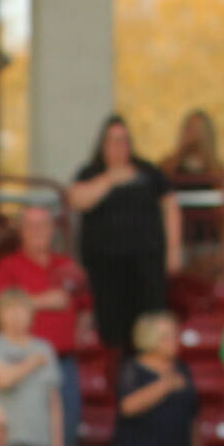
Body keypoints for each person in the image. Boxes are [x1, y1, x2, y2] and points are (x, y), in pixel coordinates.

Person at [69, 115, 181, 357]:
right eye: (113, 141)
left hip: (146, 265)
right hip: (105, 267)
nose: (119, 146)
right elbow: (78, 200)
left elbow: (170, 205)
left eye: (124, 140)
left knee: (149, 326)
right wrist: (110, 179)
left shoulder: (148, 171)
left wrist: (173, 249)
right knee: (112, 329)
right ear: (103, 143)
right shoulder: (90, 172)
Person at [0, 204, 93, 430]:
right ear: (21, 230)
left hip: (64, 361)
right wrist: (41, 300)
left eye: (43, 225)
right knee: (21, 434)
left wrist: (78, 337)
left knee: (66, 428)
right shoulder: (9, 265)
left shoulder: (67, 265)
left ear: (53, 229)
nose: (38, 231)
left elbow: (86, 308)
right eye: (31, 226)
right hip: (19, 359)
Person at [0, 288, 64, 446]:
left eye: (22, 309)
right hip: (2, 436)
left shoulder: (45, 348)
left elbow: (54, 402)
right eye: (10, 309)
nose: (17, 315)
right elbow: (2, 380)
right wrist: (32, 362)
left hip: (39, 438)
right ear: (0, 314)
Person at [115, 309, 198, 446]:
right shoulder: (133, 369)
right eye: (167, 337)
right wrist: (165, 385)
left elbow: (193, 415)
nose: (175, 341)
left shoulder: (182, 369)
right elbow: (128, 406)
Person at [166, 109, 224, 275]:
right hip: (179, 240)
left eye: (198, 129)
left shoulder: (217, 169)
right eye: (190, 128)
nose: (193, 134)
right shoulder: (170, 165)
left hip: (208, 241)